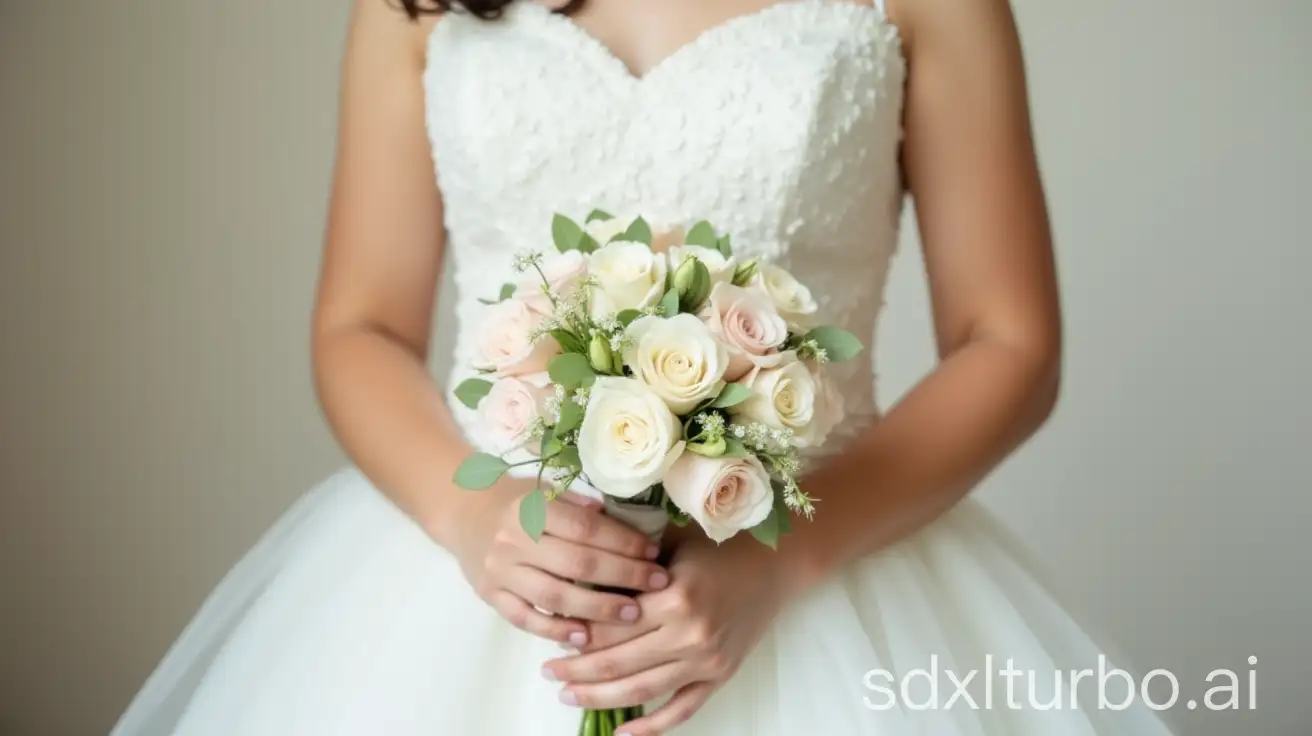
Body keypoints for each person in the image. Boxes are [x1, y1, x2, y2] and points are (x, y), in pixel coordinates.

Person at [111, 0, 1178, 733]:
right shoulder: (418, 6)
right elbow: (359, 324)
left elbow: (1011, 339)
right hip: (480, 585)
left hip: (816, 570)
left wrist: (785, 554)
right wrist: (473, 519)